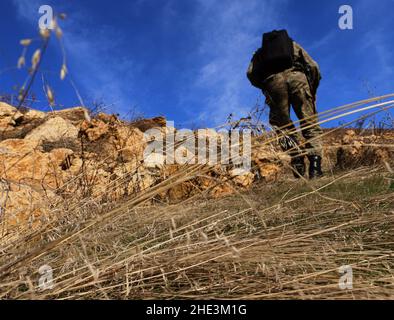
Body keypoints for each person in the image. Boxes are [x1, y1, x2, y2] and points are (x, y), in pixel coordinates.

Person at [247, 29, 324, 179]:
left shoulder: (260, 53)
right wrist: (312, 89)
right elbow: (313, 66)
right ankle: (315, 167)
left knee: (282, 127)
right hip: (298, 79)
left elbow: (250, 74)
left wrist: (266, 85)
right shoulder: (292, 45)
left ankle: (297, 161)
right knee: (309, 123)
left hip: (273, 83)